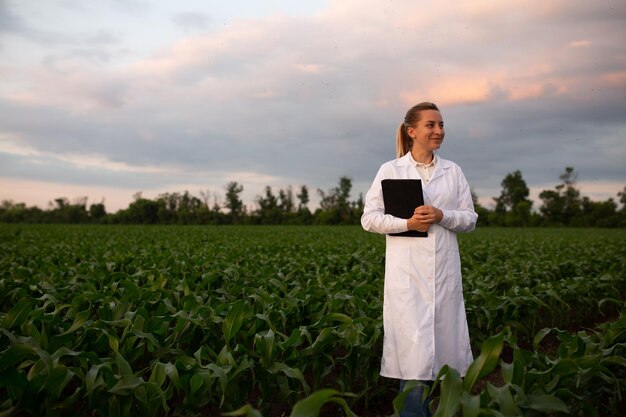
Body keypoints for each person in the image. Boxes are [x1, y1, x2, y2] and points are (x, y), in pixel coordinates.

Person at [361, 102, 477, 417]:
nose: (439, 130)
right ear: (412, 131)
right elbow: (369, 219)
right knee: (414, 361)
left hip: (443, 278)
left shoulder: (453, 171)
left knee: (441, 361)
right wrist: (406, 224)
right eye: (431, 125)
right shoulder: (390, 170)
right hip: (407, 280)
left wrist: (442, 215)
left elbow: (469, 219)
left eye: (441, 125)